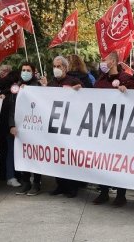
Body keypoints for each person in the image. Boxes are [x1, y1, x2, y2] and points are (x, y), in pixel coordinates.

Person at [92, 52, 134, 207]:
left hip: (120, 128)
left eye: (104, 60)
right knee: (102, 160)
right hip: (103, 127)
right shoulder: (100, 80)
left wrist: (128, 91)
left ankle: (121, 195)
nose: (102, 63)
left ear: (113, 61)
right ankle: (103, 192)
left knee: (119, 161)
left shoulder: (126, 79)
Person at [40, 55, 83, 198]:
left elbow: (86, 97)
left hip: (71, 126)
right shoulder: (52, 83)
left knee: (71, 157)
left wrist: (80, 90)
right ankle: (60, 185)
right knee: (58, 156)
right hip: (56, 126)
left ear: (66, 68)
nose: (56, 69)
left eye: (59, 66)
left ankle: (73, 187)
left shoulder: (74, 81)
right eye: (54, 66)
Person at [9, 62, 42, 195]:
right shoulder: (16, 87)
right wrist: (11, 125)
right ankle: (26, 182)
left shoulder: (38, 86)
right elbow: (12, 108)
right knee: (24, 154)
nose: (25, 72)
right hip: (21, 127)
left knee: (36, 154)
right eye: (23, 70)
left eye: (28, 70)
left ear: (33, 72)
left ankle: (37, 183)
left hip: (36, 127)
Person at [0, 64, 19, 184]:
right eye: (1, 71)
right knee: (3, 148)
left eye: (6, 71)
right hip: (0, 121)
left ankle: (11, 174)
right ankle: (3, 174)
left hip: (10, 121)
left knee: (10, 148)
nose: (3, 73)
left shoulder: (14, 84)